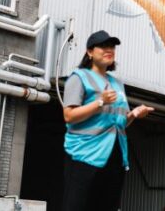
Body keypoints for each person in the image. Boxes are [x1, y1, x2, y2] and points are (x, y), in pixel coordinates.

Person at [62, 30, 154, 211]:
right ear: (89, 52)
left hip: (115, 155)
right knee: (77, 206)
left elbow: (118, 123)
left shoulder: (117, 84)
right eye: (103, 46)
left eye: (111, 46)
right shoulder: (79, 77)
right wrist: (100, 102)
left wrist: (134, 114)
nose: (109, 50)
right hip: (85, 153)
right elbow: (69, 115)